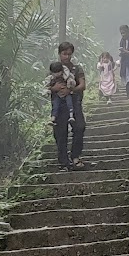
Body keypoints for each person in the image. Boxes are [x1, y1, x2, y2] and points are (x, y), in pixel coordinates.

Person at [52, 41, 87, 169]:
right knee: (60, 133)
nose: (66, 56)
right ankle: (63, 161)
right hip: (59, 106)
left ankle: (75, 156)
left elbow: (82, 85)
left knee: (80, 127)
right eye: (64, 54)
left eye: (69, 54)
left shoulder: (76, 69)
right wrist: (55, 88)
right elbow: (47, 85)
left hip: (74, 103)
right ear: (59, 54)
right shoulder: (54, 68)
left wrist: (70, 90)